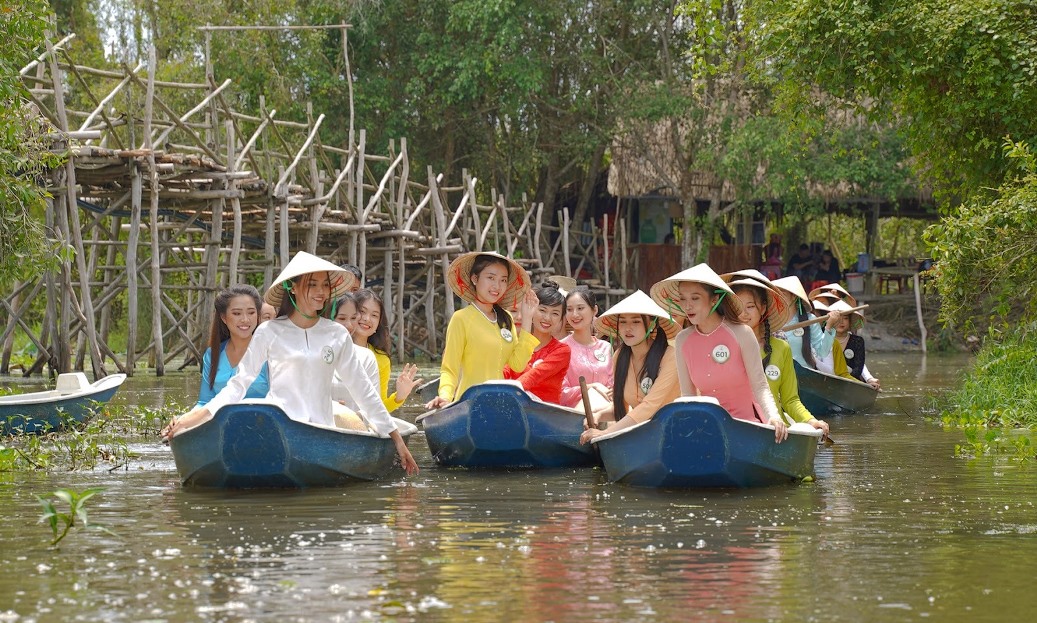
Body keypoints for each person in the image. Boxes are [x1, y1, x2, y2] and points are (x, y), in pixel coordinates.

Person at [163, 251, 418, 475]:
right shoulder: (269, 331)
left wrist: (395, 438)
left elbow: (363, 390)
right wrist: (190, 418)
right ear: (293, 288)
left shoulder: (336, 334)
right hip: (278, 430)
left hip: (320, 432)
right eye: (313, 284)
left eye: (325, 285)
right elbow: (237, 386)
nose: (321, 292)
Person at [651, 264, 787, 443]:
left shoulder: (742, 333)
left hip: (749, 428)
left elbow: (760, 386)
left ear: (714, 300)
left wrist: (774, 416)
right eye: (683, 299)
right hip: (707, 432)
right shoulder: (683, 340)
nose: (687, 306)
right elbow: (688, 396)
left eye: (695, 298)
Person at [425, 251, 539, 409]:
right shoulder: (461, 319)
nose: (497, 286)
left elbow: (517, 365)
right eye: (491, 278)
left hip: (502, 405)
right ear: (475, 279)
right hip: (470, 405)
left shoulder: (506, 318)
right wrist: (445, 396)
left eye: (503, 280)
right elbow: (449, 369)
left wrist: (527, 320)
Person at [725, 273, 829, 438]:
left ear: (763, 308)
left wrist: (811, 421)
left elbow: (790, 400)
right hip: (734, 428)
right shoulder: (722, 347)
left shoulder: (781, 348)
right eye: (737, 307)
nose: (743, 314)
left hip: (775, 430)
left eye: (750, 306)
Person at [579, 290, 680, 442]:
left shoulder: (670, 356)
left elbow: (649, 406)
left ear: (652, 325)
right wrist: (599, 415)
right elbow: (622, 407)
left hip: (676, 432)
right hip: (644, 435)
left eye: (636, 321)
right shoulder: (620, 357)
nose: (628, 328)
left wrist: (605, 433)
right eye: (623, 322)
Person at [195, 285, 270, 408]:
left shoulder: (270, 353)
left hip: (264, 423)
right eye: (237, 313)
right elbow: (204, 402)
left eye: (251, 312)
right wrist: (182, 421)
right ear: (223, 317)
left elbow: (282, 402)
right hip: (222, 424)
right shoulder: (212, 354)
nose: (245, 319)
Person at [351, 288, 422, 412]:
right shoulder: (333, 347)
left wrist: (399, 396)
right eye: (362, 311)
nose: (367, 319)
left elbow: (379, 409)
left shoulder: (382, 360)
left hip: (359, 422)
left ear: (378, 324)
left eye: (374, 315)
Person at [504, 283, 572, 403]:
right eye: (542, 310)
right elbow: (505, 371)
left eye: (555, 313)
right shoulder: (517, 345)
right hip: (513, 406)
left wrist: (507, 390)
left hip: (544, 414)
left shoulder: (562, 350)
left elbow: (535, 376)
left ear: (562, 318)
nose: (547, 318)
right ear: (532, 309)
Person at [558, 286, 613, 411]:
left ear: (594, 310)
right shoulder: (560, 348)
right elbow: (561, 393)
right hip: (574, 414)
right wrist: (591, 388)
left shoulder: (606, 347)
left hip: (608, 410)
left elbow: (613, 385)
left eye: (580, 308)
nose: (575, 314)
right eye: (569, 310)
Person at [771, 276, 841, 371]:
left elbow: (823, 352)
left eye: (782, 294)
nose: (778, 298)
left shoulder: (810, 320)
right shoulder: (770, 320)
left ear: (794, 296)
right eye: (775, 295)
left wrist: (829, 326)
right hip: (777, 374)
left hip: (803, 376)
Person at [331, 292, 381, 423]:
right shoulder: (312, 352)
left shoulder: (366, 357)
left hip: (355, 427)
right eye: (342, 319)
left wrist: (349, 415)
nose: (349, 325)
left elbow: (375, 406)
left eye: (353, 318)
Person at [827, 300, 880, 389]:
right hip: (828, 380)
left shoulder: (857, 341)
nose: (841, 322)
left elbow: (858, 368)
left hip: (851, 382)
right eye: (838, 318)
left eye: (845, 318)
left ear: (850, 321)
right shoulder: (824, 339)